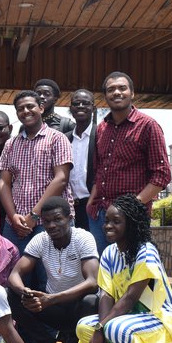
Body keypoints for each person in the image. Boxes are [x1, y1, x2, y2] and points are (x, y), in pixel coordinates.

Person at [76, 194, 172, 343]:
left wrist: (102, 328)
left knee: (115, 329)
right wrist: (99, 328)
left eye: (116, 222)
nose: (108, 226)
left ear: (130, 224)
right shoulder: (109, 253)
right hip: (127, 317)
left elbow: (131, 298)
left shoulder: (146, 252)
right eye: (107, 221)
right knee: (83, 327)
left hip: (158, 318)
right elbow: (106, 295)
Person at [7, 197, 99, 343]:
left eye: (58, 219)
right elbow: (15, 274)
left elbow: (92, 282)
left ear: (70, 219)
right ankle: (45, 342)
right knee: (12, 294)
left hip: (79, 308)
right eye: (47, 221)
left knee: (91, 299)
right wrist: (24, 292)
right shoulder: (41, 239)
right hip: (53, 307)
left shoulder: (83, 238)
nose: (52, 225)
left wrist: (51, 299)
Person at [86, 72, 171, 252]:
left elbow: (162, 174)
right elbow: (99, 167)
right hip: (99, 213)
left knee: (130, 271)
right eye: (111, 89)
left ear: (132, 93)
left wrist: (130, 206)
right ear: (106, 96)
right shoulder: (102, 128)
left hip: (130, 217)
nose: (117, 92)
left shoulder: (148, 126)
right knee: (103, 272)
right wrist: (92, 199)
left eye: (122, 88)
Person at [0, 90, 73, 252]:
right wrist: (13, 216)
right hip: (16, 224)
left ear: (41, 108)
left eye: (30, 106)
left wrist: (34, 215)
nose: (25, 111)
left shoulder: (57, 138)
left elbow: (61, 179)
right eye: (20, 108)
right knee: (13, 274)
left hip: (51, 221)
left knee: (49, 275)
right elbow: (4, 182)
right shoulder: (11, 144)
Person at [68, 89, 97, 234]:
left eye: (85, 103)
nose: (80, 106)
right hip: (70, 207)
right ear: (70, 108)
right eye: (76, 103)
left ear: (93, 108)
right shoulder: (64, 139)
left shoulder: (100, 135)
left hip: (94, 205)